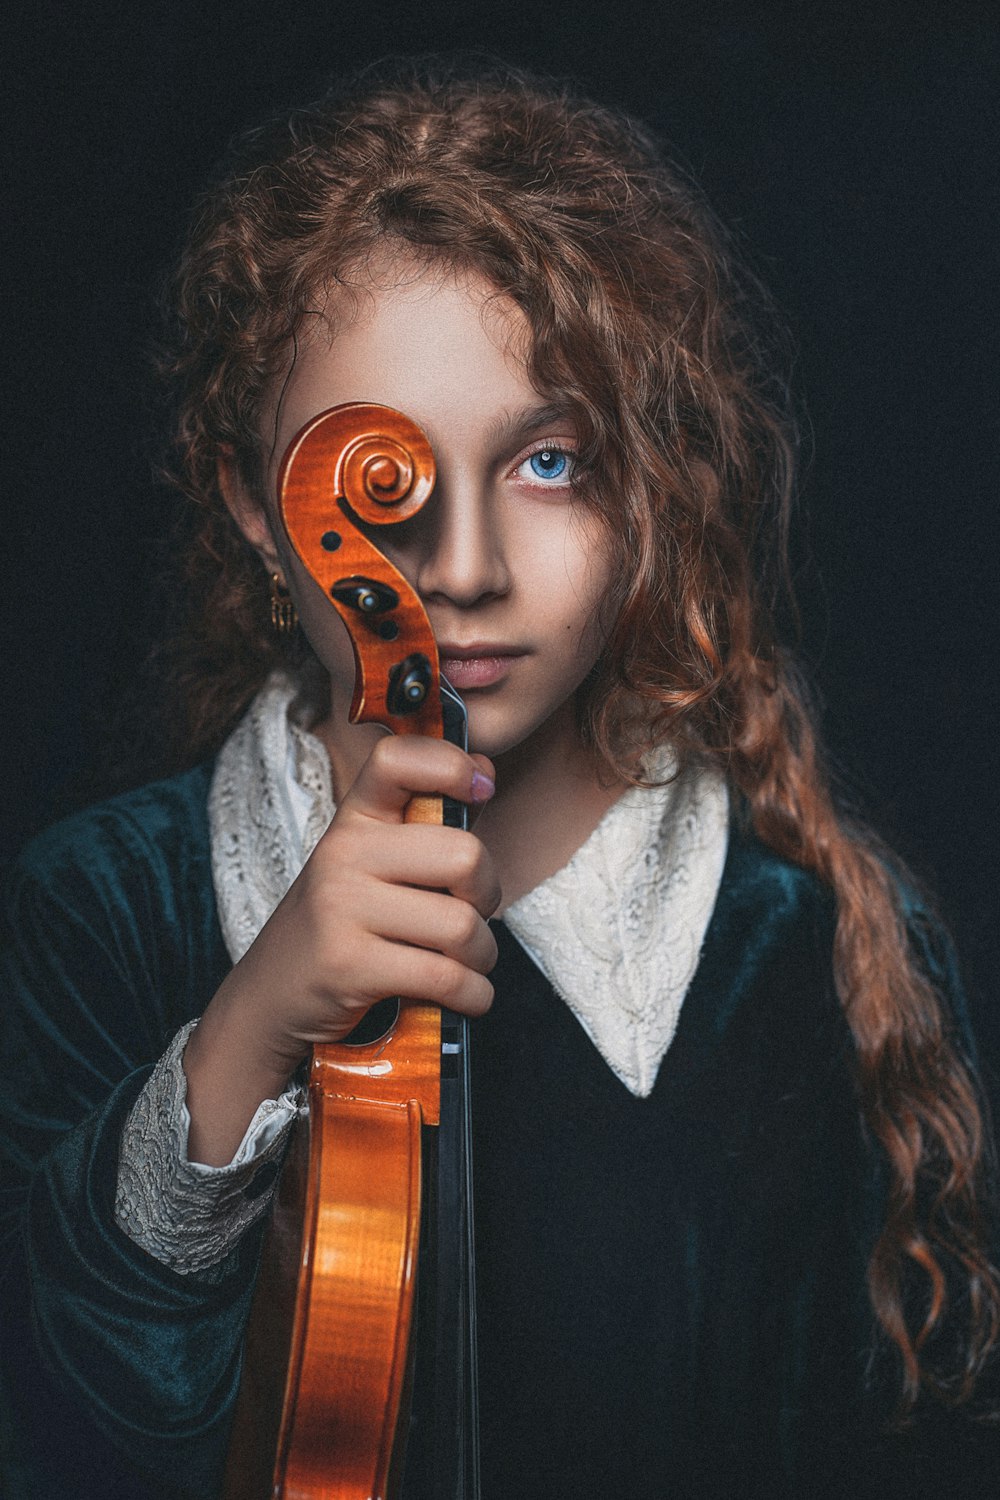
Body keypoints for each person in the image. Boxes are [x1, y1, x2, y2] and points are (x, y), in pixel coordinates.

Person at [1, 58, 997, 1500]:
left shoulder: (807, 941)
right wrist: (243, 1038)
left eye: (548, 463)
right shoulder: (96, 909)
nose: (461, 570)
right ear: (248, 499)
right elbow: (67, 1437)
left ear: (648, 485)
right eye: (383, 479)